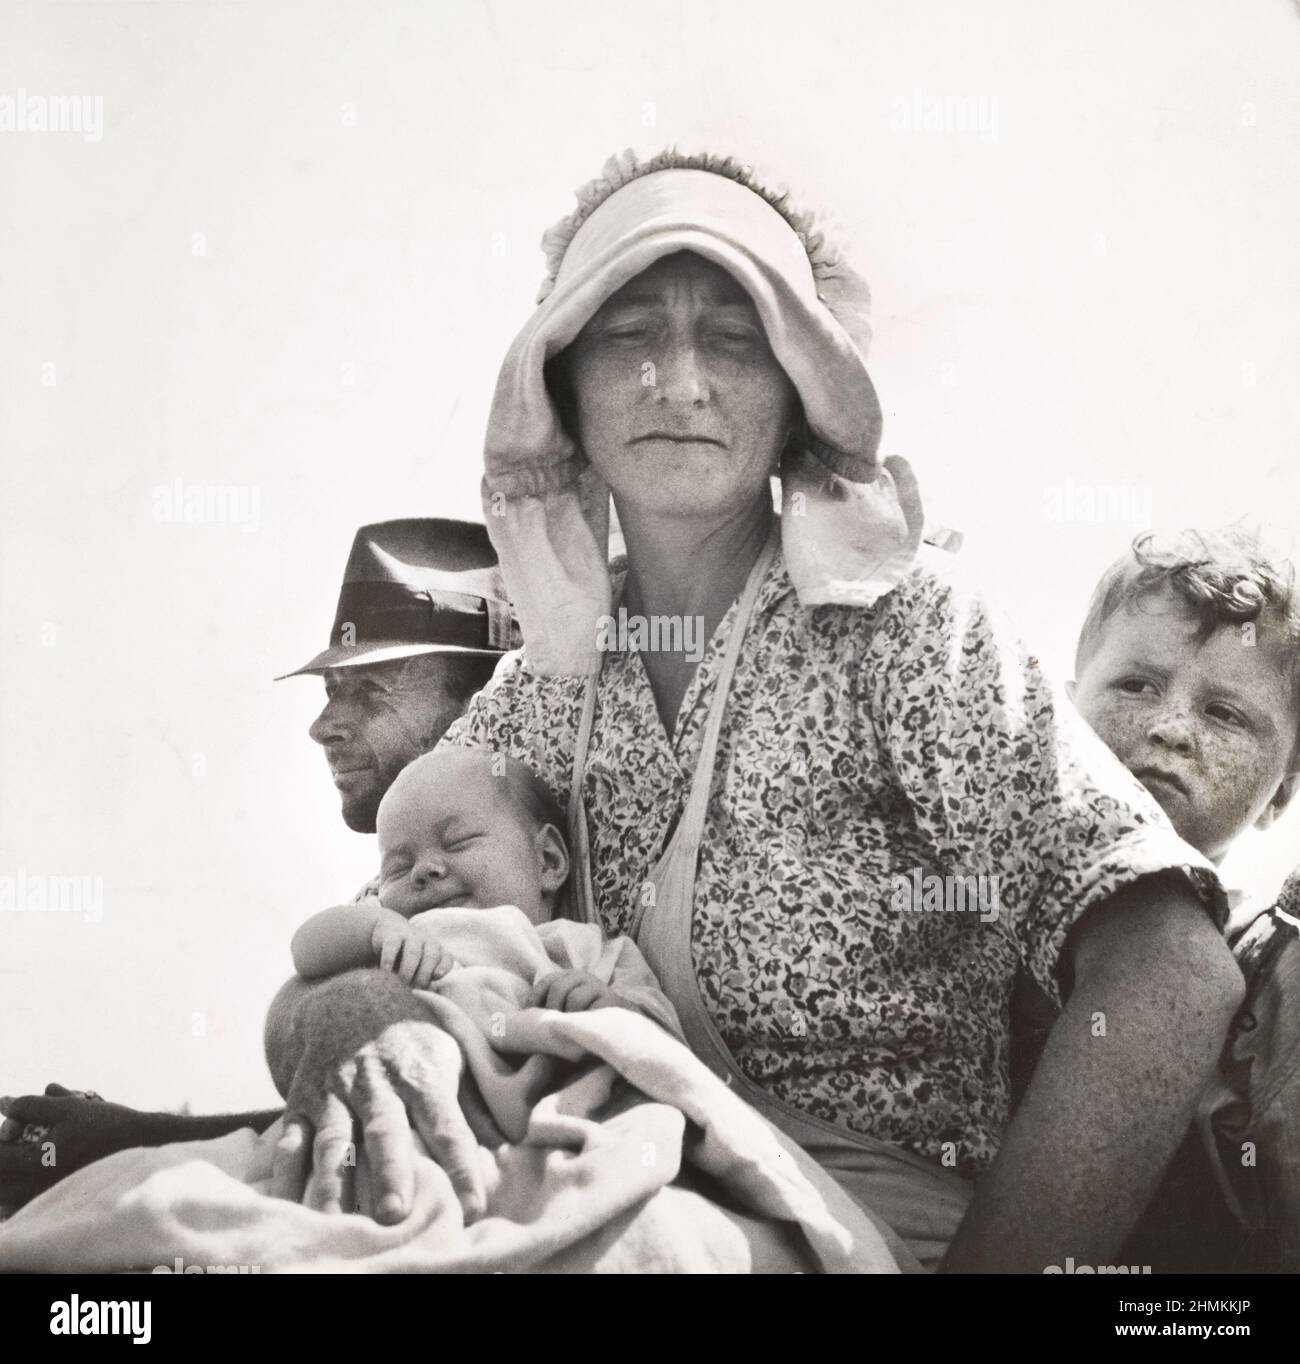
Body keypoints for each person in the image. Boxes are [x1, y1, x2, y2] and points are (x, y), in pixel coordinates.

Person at [261, 149, 1243, 1272]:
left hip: (862, 1217)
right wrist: (362, 1032)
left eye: (733, 338)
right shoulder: (541, 691)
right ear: (563, 393)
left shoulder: (904, 627)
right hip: (598, 1161)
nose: (678, 383)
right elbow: (351, 956)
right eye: (629, 335)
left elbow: (1169, 970)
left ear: (796, 392)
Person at [0, 518, 515, 1212]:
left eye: (368, 689)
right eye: (332, 690)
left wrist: (131, 1141)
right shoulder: (394, 890)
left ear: (480, 702)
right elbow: (344, 1115)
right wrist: (131, 1136)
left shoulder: (516, 867)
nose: (323, 725)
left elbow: (451, 1131)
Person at [1061, 526, 1300, 1270]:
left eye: (1224, 715)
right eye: (1136, 685)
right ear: (1057, 716)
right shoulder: (978, 902)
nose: (1169, 729)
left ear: (1281, 792)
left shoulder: (1270, 980)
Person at [291, 747, 681, 1036]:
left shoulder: (582, 948)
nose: (424, 869)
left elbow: (666, 1042)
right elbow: (305, 950)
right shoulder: (394, 934)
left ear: (546, 860)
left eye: (457, 842)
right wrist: (376, 928)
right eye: (398, 866)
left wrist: (610, 1007)